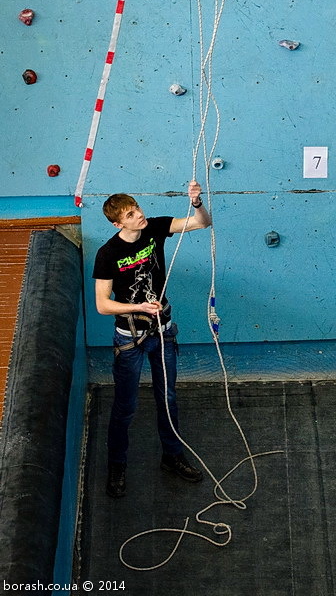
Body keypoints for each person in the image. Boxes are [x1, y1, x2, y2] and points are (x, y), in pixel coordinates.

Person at [93, 180, 212, 497]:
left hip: (162, 333)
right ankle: (117, 465)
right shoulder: (108, 254)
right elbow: (103, 304)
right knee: (125, 406)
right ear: (118, 223)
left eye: (138, 208)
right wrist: (138, 306)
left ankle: (172, 456)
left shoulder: (155, 228)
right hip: (129, 338)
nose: (139, 216)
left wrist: (196, 202)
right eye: (131, 214)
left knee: (168, 398)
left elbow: (202, 223)